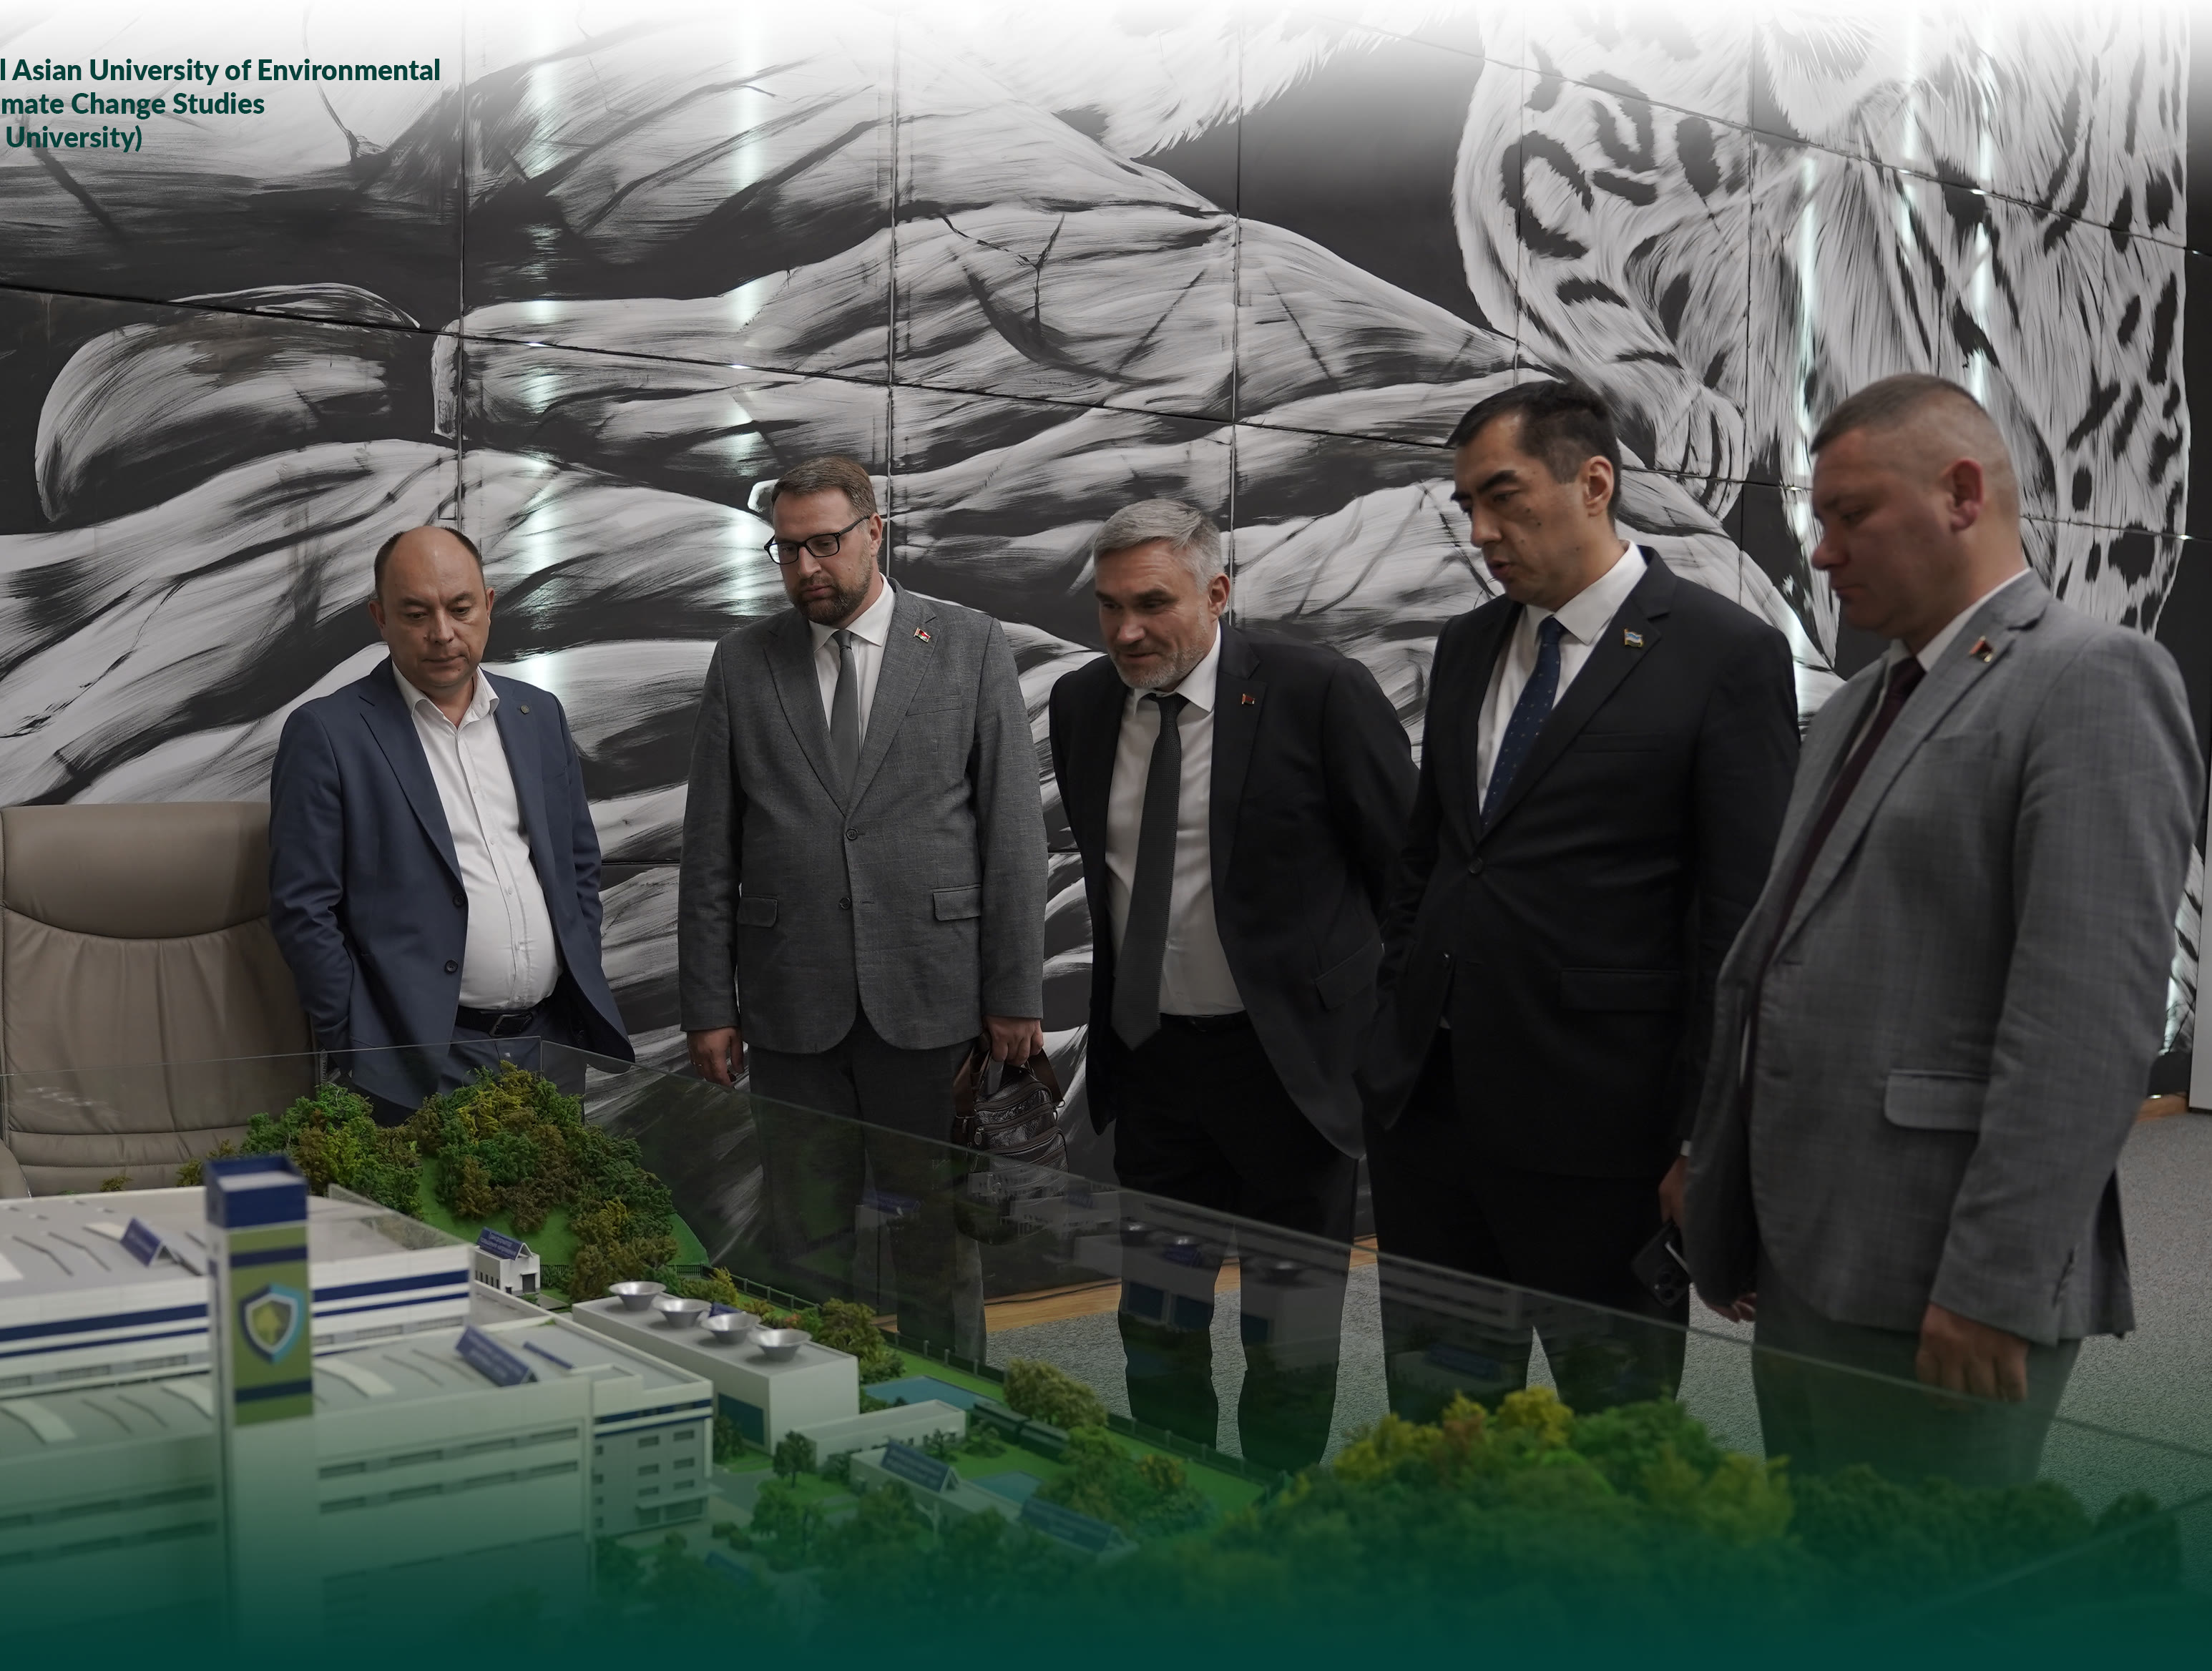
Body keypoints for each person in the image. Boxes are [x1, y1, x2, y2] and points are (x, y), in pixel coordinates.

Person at [1685, 374, 2199, 1486]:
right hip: (1810, 1250)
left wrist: (1994, 1285)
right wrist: (1720, 1172)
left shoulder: (2094, 679)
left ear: (1963, 494)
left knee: (1929, 1575)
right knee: (1815, 1563)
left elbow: (2085, 1026)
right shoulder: (1856, 708)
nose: (1823, 552)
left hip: (1943, 1272)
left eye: (1849, 514)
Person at [1362, 380, 1799, 1420]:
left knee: (1615, 1439)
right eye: (1467, 504)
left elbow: (1742, 922)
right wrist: (1391, 1021)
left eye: (1502, 497)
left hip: (1605, 1135)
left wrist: (1701, 1137)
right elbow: (1432, 856)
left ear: (1593, 483)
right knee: (1440, 1426)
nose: (1480, 530)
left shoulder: (1724, 655)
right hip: (1431, 1120)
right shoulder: (1468, 644)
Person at [1047, 499, 1414, 1469]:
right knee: (1156, 1322)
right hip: (1155, 1069)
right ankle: (1174, 1500)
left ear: (1216, 593)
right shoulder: (1083, 705)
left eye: (1152, 603)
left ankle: (1274, 1521)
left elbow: (1406, 878)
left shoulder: (1318, 693)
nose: (1126, 630)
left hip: (1290, 1073)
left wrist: (1390, 1050)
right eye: (1109, 605)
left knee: (1287, 1336)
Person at [677, 456, 1045, 1357]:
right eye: (786, 549)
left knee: (935, 1244)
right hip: (790, 1009)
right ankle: (814, 1409)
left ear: (875, 531)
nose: (806, 567)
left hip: (933, 1002)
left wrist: (1014, 993)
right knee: (803, 1246)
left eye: (825, 543)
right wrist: (708, 1005)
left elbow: (1012, 832)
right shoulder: (742, 662)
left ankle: (950, 1411)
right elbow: (710, 848)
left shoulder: (967, 644)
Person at [269, 525, 632, 1119]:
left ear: (488, 606)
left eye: (460, 609)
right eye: (416, 614)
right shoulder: (328, 734)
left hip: (552, 1045)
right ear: (380, 618)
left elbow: (577, 867)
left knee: (558, 1185)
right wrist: (358, 1040)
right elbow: (303, 908)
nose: (442, 633)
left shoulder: (538, 715)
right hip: (418, 1061)